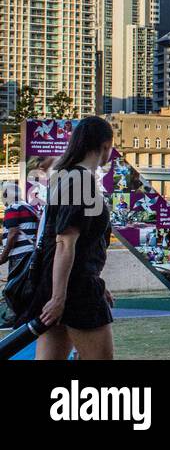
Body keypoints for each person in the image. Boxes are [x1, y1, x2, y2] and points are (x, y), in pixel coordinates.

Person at [22, 116, 117, 360]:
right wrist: (59, 297)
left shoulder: (64, 178)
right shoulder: (82, 180)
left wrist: (57, 295)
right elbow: (65, 242)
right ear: (106, 145)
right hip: (76, 289)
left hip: (58, 284)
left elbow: (73, 242)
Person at [1, 181, 40, 282]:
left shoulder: (12, 207)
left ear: (6, 195)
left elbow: (13, 233)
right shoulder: (30, 208)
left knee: (14, 289)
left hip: (19, 255)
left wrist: (3, 256)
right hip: (31, 252)